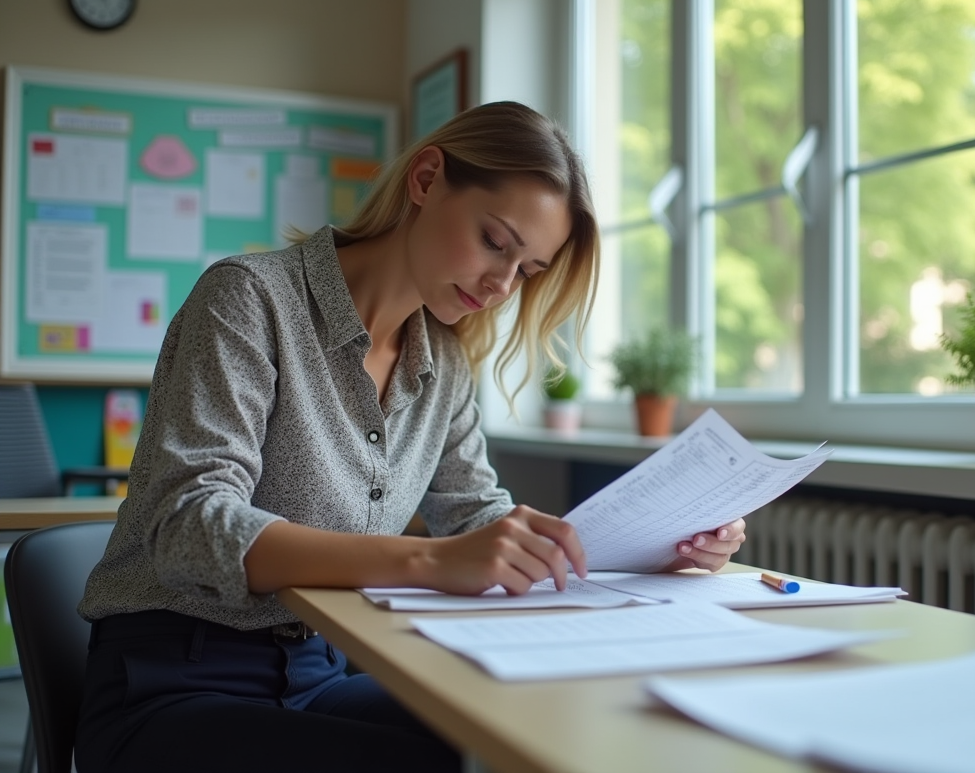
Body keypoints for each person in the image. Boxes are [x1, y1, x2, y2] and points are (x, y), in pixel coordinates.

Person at [74, 101, 747, 773]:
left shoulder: (442, 360)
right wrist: (428, 560)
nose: (501, 285)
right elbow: (189, 527)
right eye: (495, 241)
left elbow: (478, 519)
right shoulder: (248, 298)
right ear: (426, 180)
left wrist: (651, 548)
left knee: (530, 738)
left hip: (321, 671)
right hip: (174, 680)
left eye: (527, 271)